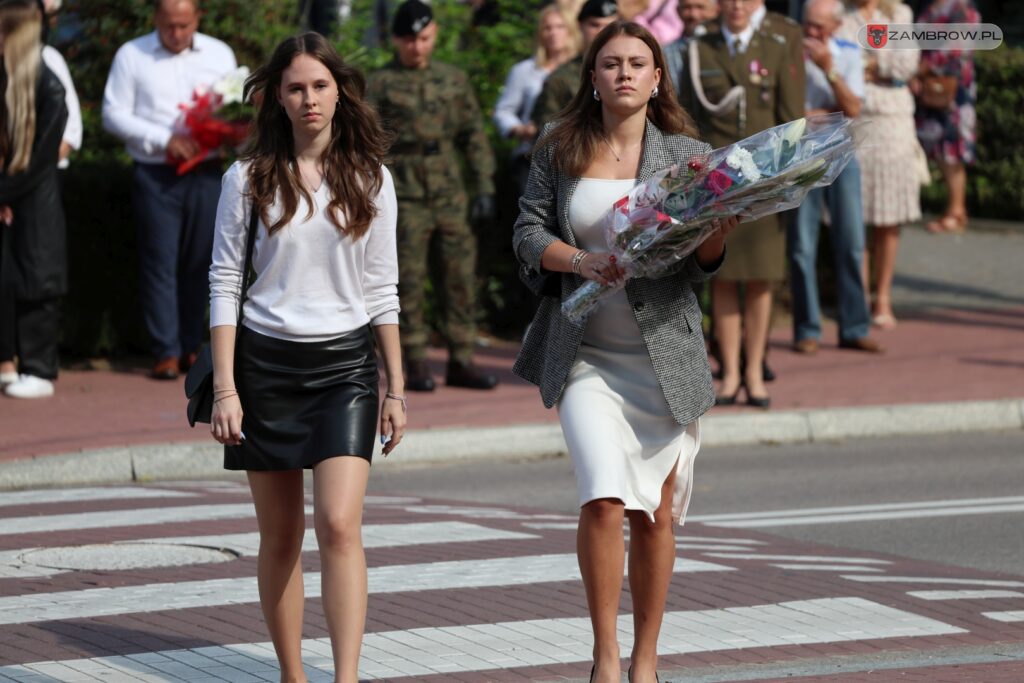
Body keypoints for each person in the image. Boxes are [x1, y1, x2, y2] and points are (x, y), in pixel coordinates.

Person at [513, 21, 736, 683]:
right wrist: (580, 258)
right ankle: (606, 657)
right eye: (611, 63)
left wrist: (718, 230)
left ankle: (646, 659)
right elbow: (527, 231)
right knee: (602, 498)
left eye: (639, 63)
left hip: (661, 355)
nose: (625, 74)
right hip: (585, 354)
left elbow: (704, 266)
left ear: (658, 76)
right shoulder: (559, 146)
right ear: (593, 75)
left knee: (655, 514)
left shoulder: (690, 155)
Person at [208, 32, 406, 683]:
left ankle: (345, 675)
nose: (309, 98)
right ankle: (294, 674)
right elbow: (224, 282)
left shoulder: (372, 177)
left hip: (345, 370)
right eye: (296, 87)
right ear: (277, 97)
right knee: (282, 536)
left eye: (320, 85)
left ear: (340, 91)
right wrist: (226, 388)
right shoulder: (247, 178)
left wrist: (395, 388)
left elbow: (383, 290)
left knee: (339, 522)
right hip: (265, 369)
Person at [366, 0, 499, 392]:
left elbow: (473, 134)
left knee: (458, 275)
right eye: (408, 40)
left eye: (423, 38)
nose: (417, 47)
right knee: (406, 278)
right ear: (395, 40)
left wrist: (484, 185)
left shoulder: (453, 79)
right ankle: (414, 361)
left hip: (448, 190)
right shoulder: (381, 83)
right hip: (403, 191)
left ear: (435, 35)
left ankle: (462, 358)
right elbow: (370, 142)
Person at [102, 0, 237, 379]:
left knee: (203, 260)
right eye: (168, 27)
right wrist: (164, 139)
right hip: (157, 172)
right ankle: (165, 350)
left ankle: (191, 345)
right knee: (159, 261)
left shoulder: (219, 53)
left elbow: (234, 106)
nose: (176, 34)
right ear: (156, 20)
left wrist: (232, 131)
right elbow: (113, 113)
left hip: (206, 170)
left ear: (197, 19)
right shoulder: (133, 55)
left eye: (183, 26)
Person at [680, 0, 804, 408]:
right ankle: (730, 372)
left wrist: (788, 180)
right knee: (725, 278)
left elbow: (792, 117)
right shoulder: (702, 44)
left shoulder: (782, 39)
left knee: (761, 278)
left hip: (764, 181)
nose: (736, 6)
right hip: (718, 183)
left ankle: (754, 370)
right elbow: (690, 117)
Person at [790, 0, 881, 355]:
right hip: (801, 157)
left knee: (852, 242)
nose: (811, 33)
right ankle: (807, 328)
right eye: (808, 25)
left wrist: (828, 69)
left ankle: (855, 326)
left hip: (841, 153)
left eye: (819, 27)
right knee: (801, 246)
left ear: (836, 24)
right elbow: (787, 110)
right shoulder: (789, 55)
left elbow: (854, 108)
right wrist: (823, 112)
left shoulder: (846, 52)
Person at [838, 0, 920, 329]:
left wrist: (872, 63)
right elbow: (843, 64)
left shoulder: (900, 14)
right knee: (858, 215)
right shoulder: (842, 15)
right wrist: (876, 61)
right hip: (856, 119)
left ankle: (883, 297)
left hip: (895, 121)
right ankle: (860, 298)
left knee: (890, 216)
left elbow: (906, 66)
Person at [0, 0, 68, 399]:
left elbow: (41, 159)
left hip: (34, 200)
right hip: (12, 197)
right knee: (10, 279)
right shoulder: (9, 78)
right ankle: (11, 360)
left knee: (37, 279)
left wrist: (4, 191)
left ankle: (40, 366)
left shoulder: (48, 84)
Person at [493, 4, 579, 197]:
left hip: (575, 155)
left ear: (571, 31)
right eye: (547, 27)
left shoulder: (583, 69)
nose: (553, 33)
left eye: (560, 27)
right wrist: (518, 129)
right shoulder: (524, 71)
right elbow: (503, 111)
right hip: (533, 155)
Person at [914, 0, 980, 234]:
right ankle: (953, 209)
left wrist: (920, 69)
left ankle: (956, 211)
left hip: (951, 89)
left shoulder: (961, 9)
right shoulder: (933, 7)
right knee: (940, 150)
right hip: (930, 86)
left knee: (952, 151)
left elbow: (955, 50)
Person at [531, 0, 619, 131]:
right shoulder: (560, 77)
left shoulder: (636, 71)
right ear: (580, 26)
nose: (602, 31)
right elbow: (547, 129)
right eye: (594, 25)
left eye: (608, 26)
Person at [663, 0, 719, 96]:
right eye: (687, 8)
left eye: (700, 7)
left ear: (715, 10)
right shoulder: (665, 54)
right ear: (678, 11)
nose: (694, 15)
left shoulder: (727, 49)